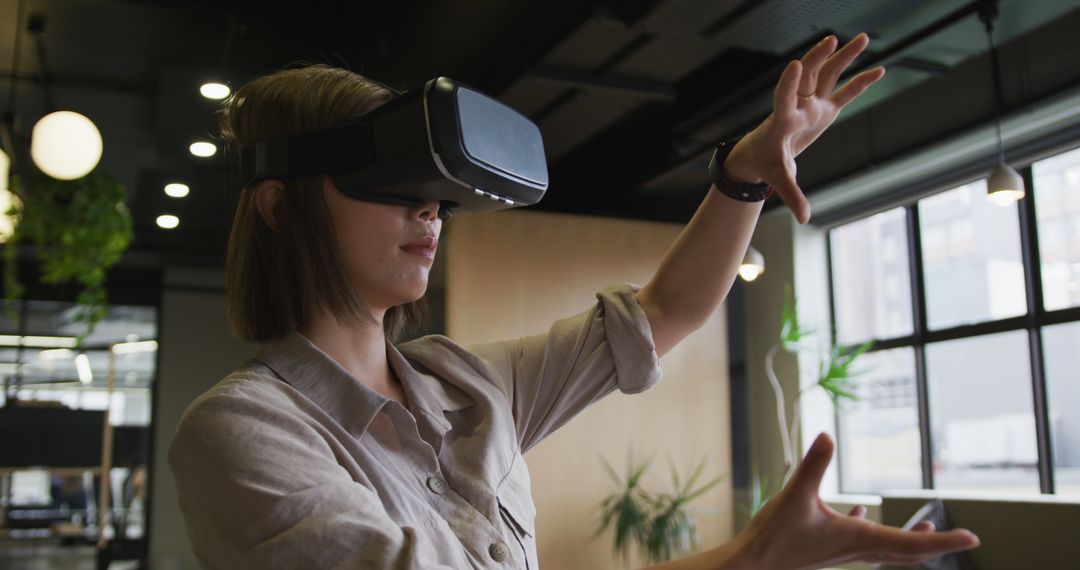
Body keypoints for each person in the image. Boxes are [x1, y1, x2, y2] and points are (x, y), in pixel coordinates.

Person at [168, 33, 980, 569]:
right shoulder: (242, 433)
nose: (430, 209)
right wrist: (745, 558)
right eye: (388, 182)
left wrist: (742, 176)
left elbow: (664, 313)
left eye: (434, 189)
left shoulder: (465, 386)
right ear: (279, 206)